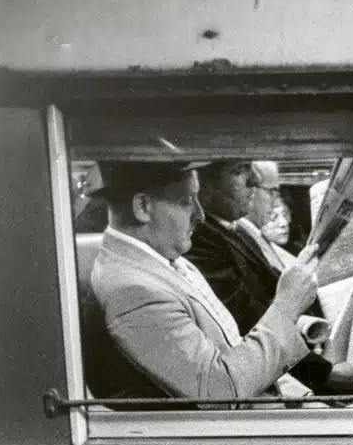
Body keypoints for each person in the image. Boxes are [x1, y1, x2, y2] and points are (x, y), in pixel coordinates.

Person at [86, 158, 321, 401]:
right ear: (143, 207)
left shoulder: (162, 259)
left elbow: (231, 347)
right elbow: (221, 391)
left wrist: (302, 395)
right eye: (187, 201)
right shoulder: (133, 292)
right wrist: (286, 307)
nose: (200, 215)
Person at [187, 159, 353, 394]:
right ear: (201, 181)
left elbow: (269, 294)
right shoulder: (199, 239)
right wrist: (322, 375)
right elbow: (248, 317)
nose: (256, 179)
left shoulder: (236, 231)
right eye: (240, 169)